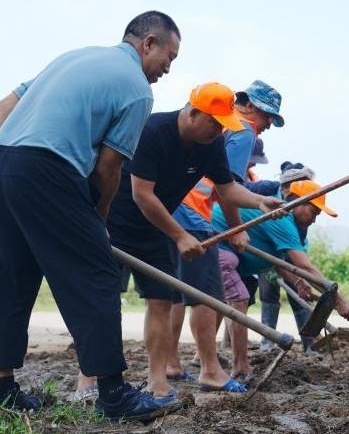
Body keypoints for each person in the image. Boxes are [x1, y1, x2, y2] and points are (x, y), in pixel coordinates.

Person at [0, 11, 182, 422]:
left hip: (3, 163)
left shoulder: (74, 57)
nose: (167, 68)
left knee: (10, 276)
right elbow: (108, 168)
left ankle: (3, 387)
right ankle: (113, 394)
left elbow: (4, 106)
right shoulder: (138, 90)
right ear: (148, 44)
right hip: (49, 168)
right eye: (169, 56)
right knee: (98, 274)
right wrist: (98, 223)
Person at [99, 82, 284, 398]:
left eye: (220, 125)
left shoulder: (211, 143)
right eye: (213, 123)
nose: (217, 131)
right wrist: (181, 235)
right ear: (193, 112)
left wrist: (259, 202)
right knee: (102, 301)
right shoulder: (153, 130)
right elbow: (141, 194)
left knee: (161, 300)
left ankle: (159, 381)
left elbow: (227, 189)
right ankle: (89, 379)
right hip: (118, 221)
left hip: (158, 224)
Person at [168, 81, 286, 376]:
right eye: (267, 116)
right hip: (195, 212)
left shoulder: (217, 123)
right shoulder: (243, 130)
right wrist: (236, 229)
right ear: (249, 106)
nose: (268, 125)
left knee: (176, 292)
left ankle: (172, 362)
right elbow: (226, 189)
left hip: (174, 206)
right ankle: (213, 368)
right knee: (206, 294)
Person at [212, 180, 349, 378]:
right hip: (213, 239)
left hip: (223, 247)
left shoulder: (288, 224)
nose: (314, 220)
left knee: (221, 302)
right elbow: (304, 266)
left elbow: (278, 262)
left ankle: (204, 357)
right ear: (299, 203)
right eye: (314, 212)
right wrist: (339, 301)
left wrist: (298, 282)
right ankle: (240, 367)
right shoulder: (283, 220)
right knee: (238, 300)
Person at [257, 161, 318, 353]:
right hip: (267, 251)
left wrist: (298, 275)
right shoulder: (269, 198)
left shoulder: (304, 208)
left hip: (291, 252)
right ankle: (268, 341)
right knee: (268, 292)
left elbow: (298, 243)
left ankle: (309, 342)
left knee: (300, 291)